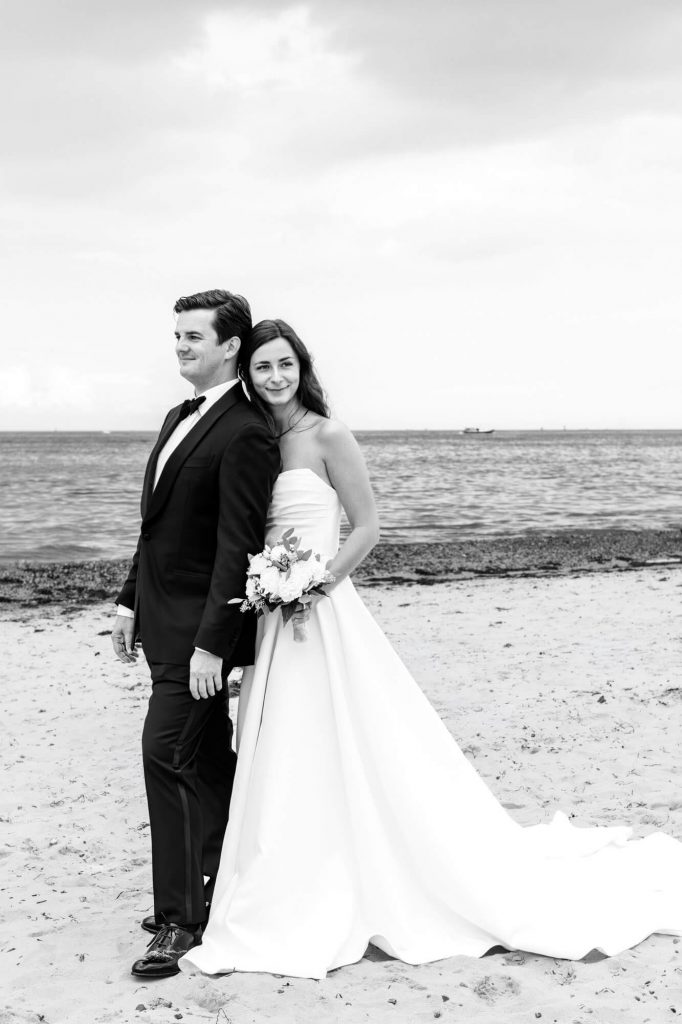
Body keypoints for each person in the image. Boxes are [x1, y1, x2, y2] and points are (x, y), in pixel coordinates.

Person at [183, 319, 682, 981]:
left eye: (285, 365)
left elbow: (367, 527)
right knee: (282, 741)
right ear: (247, 373)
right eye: (263, 367)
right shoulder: (253, 438)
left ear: (302, 368)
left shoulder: (327, 435)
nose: (275, 377)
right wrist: (266, 590)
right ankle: (284, 871)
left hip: (320, 609)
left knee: (348, 734)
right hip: (274, 618)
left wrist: (317, 582)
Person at [112, 292, 279, 978]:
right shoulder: (178, 415)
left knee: (167, 754)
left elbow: (238, 545)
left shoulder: (244, 430)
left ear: (229, 344)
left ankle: (181, 922)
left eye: (192, 336)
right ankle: (220, 886)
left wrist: (216, 642)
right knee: (207, 761)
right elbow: (158, 530)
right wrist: (128, 603)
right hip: (162, 623)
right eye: (175, 335)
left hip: (200, 640)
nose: (179, 346)